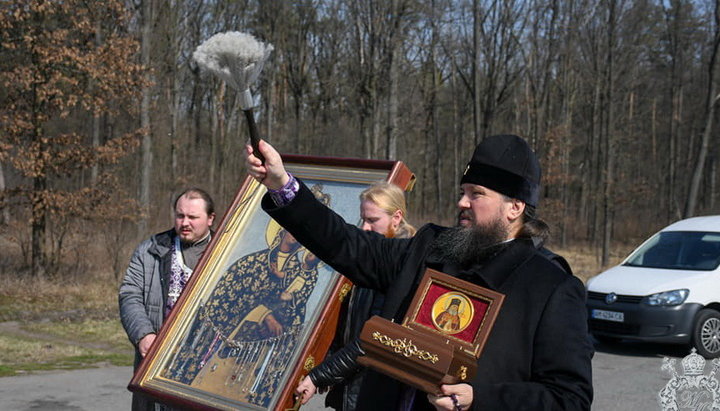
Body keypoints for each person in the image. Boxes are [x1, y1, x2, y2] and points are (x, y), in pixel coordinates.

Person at [245, 134, 593, 410]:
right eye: (462, 192)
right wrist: (282, 185)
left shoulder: (550, 287)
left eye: (476, 194)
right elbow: (347, 245)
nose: (462, 203)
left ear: (515, 207)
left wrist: (480, 397)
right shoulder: (430, 248)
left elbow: (569, 398)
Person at [295, 182, 417, 411]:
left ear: (397, 217)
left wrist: (319, 376)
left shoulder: (405, 269)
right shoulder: (368, 261)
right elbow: (345, 329)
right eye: (363, 219)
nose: (365, 228)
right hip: (350, 390)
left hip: (375, 395)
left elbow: (373, 340)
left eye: (373, 220)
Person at [119, 188, 216, 411]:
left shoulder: (227, 253)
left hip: (207, 372)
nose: (185, 223)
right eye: (180, 215)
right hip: (156, 367)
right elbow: (129, 295)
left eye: (193, 217)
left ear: (210, 218)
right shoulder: (151, 250)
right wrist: (143, 334)